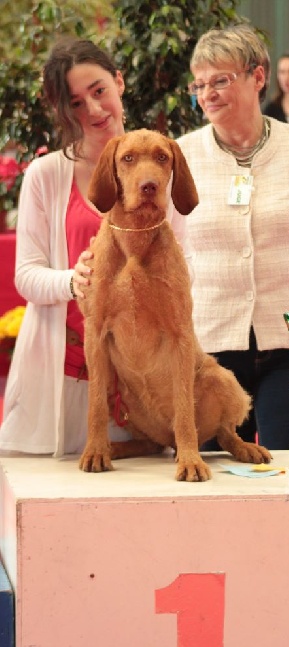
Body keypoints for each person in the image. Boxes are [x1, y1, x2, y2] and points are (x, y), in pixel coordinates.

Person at [0, 37, 186, 457]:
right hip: (62, 374)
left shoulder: (161, 165)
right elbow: (26, 275)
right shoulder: (46, 175)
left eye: (98, 91)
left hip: (140, 379)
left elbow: (183, 265)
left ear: (119, 82)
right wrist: (73, 279)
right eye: (77, 103)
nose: (94, 110)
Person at [176, 22, 289, 456]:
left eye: (221, 80)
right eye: (199, 84)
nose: (208, 93)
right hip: (210, 348)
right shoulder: (181, 155)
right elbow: (173, 250)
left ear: (258, 76)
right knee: (213, 486)